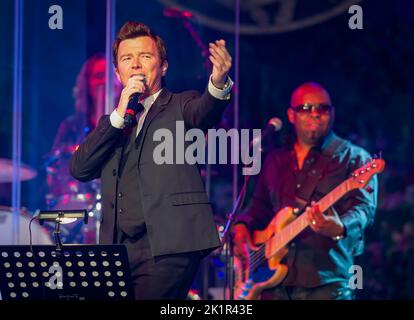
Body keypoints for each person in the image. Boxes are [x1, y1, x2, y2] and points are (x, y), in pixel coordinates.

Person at [70, 21, 233, 299]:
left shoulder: (181, 105)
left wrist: (218, 83)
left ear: (163, 67)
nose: (135, 65)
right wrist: (119, 115)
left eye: (145, 56)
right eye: (126, 59)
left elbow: (205, 111)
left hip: (169, 245)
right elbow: (80, 169)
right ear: (117, 72)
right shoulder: (112, 123)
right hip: (118, 248)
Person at [232, 82, 378, 300]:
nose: (315, 114)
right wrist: (243, 226)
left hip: (325, 282)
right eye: (306, 108)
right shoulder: (276, 160)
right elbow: (258, 207)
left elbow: (364, 210)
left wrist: (340, 227)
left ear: (332, 114)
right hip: (271, 286)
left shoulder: (355, 158)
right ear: (291, 115)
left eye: (322, 109)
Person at [47, 53, 121, 244]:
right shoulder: (71, 126)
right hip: (81, 202)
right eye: (97, 77)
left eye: (108, 76)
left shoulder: (134, 120)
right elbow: (57, 166)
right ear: (85, 84)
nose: (103, 82)